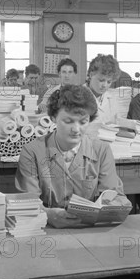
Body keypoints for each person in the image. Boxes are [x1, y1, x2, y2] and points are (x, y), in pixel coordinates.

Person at [15, 85, 125, 228]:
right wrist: (47, 214)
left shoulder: (101, 150)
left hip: (89, 230)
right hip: (44, 230)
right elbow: (27, 202)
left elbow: (113, 196)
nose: (76, 129)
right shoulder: (32, 151)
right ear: (53, 118)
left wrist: (108, 206)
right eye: (68, 121)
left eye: (83, 122)